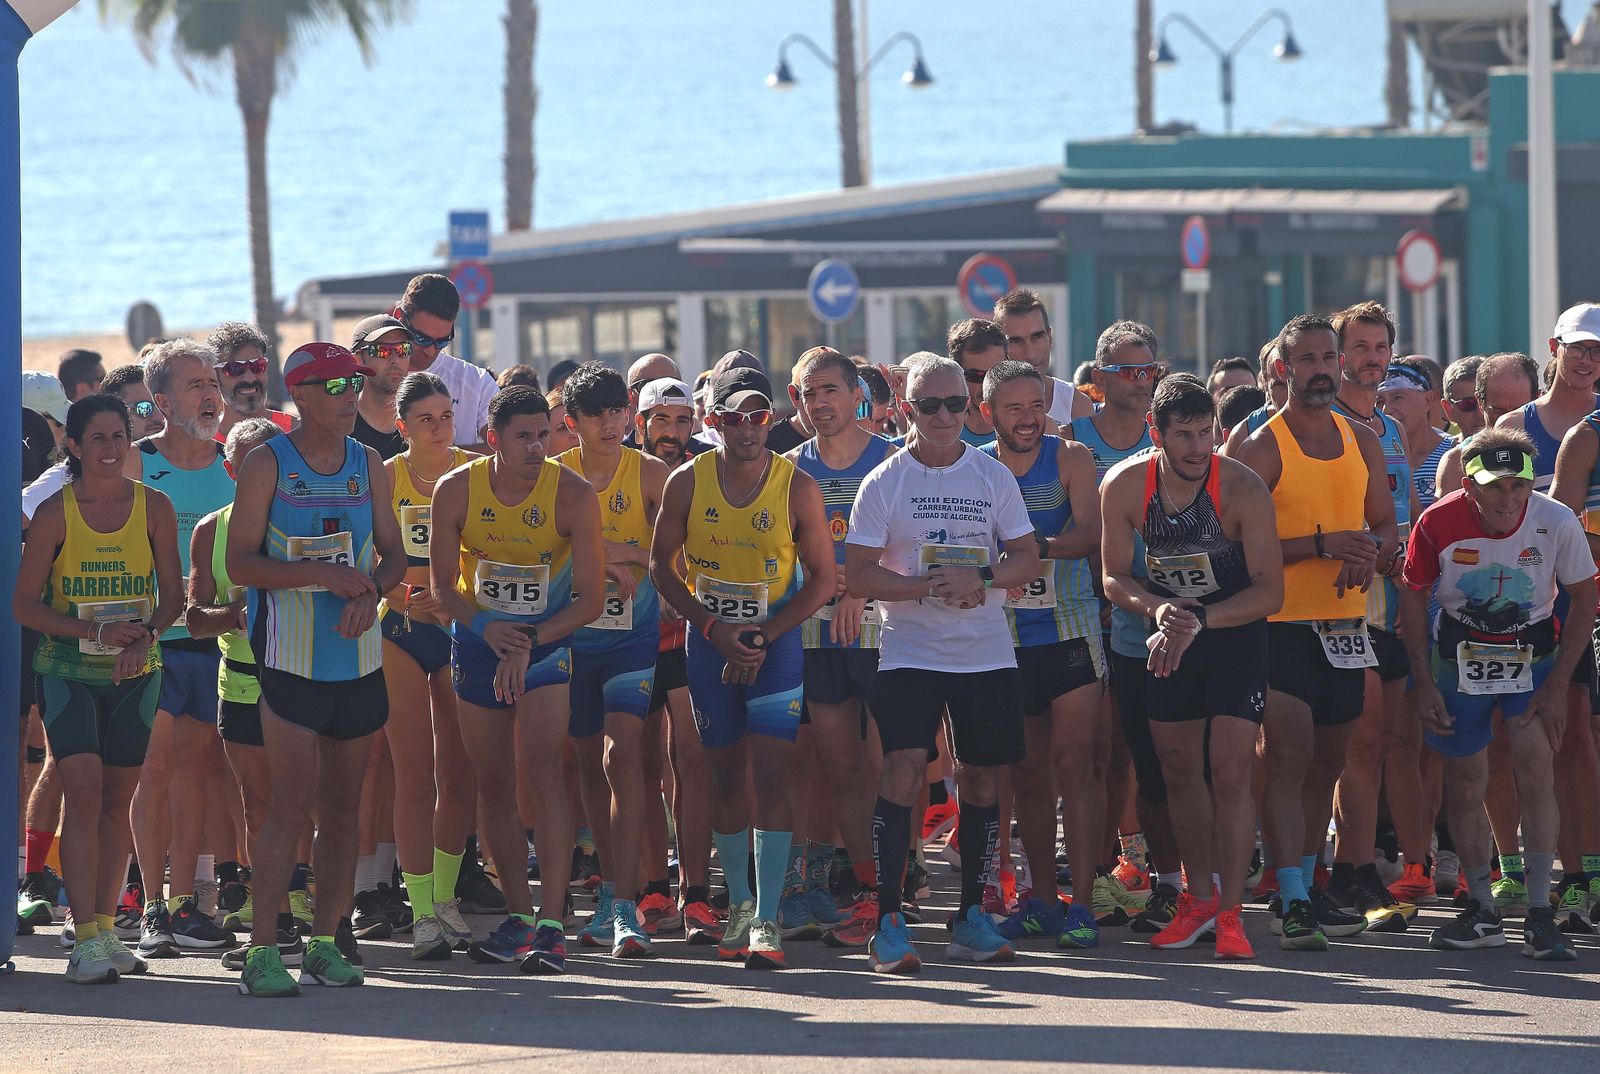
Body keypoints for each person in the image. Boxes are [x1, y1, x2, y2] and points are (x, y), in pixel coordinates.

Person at [845, 354, 1040, 974]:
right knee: (902, 770)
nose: (944, 416)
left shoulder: (991, 476)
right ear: (907, 409)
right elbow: (858, 573)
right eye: (929, 405)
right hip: (910, 651)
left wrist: (979, 576)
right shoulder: (886, 482)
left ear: (972, 405)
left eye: (956, 403)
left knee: (982, 779)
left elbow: (1027, 559)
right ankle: (889, 920)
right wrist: (928, 586)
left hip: (985, 653)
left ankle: (969, 920)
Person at [227, 342, 406, 996]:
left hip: (356, 660)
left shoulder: (369, 463)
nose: (349, 396)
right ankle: (262, 951)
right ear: (300, 395)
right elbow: (240, 565)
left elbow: (393, 557)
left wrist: (373, 594)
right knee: (289, 806)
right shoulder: (265, 463)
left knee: (343, 809)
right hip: (290, 659)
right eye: (334, 386)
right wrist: (320, 575)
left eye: (353, 384)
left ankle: (327, 943)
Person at [649, 365, 835, 970]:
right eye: (734, 419)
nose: (748, 429)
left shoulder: (797, 486)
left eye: (759, 417)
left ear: (772, 422)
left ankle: (767, 916)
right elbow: (661, 568)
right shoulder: (686, 482)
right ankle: (738, 901)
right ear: (714, 423)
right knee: (724, 774)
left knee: (773, 775)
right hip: (711, 641)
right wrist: (714, 629)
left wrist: (761, 637)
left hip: (773, 642)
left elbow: (825, 580)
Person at [1229, 313, 1398, 952]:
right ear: (1283, 368)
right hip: (1276, 625)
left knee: (1329, 761)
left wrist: (1368, 551)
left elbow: (1385, 524)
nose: (1323, 369)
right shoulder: (1262, 444)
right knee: (1290, 753)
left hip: (1344, 627)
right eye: (1308, 360)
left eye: (1329, 357)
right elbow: (1234, 541)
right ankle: (1292, 892)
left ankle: (1303, 880)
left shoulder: (1362, 439)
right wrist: (1322, 544)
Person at [1101, 373, 1283, 960]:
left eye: (1206, 433)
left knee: (1229, 772)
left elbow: (1268, 592)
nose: (1198, 448)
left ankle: (1231, 912)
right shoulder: (1126, 485)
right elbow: (1113, 576)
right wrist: (1159, 612)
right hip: (1168, 635)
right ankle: (1197, 899)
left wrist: (1197, 619)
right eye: (1183, 435)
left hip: (1231, 637)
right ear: (1156, 434)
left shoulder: (1243, 489)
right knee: (1179, 775)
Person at [429, 385, 604, 975]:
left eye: (545, 435)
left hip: (547, 641)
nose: (537, 447)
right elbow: (445, 588)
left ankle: (552, 925)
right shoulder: (456, 490)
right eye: (524, 436)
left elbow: (590, 599)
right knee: (492, 781)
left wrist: (527, 641)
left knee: (545, 772)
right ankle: (520, 915)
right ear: (492, 439)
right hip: (480, 643)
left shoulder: (574, 494)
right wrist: (487, 631)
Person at [1405, 428, 1594, 961]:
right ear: (1468, 483)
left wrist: (1559, 686)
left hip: (1534, 657)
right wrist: (1422, 683)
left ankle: (1539, 911)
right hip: (1459, 654)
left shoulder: (1554, 518)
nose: (1510, 499)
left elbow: (1584, 596)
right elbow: (1413, 601)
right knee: (1467, 779)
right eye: (1495, 487)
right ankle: (1483, 909)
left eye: (1520, 485)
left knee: (1536, 765)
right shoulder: (1437, 521)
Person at [15, 393, 182, 982]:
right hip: (69, 672)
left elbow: (173, 599)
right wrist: (95, 629)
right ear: (75, 447)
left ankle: (108, 930)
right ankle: (82, 935)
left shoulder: (155, 507)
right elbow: (23, 605)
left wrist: (144, 637)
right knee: (83, 797)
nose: (112, 449)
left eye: (120, 437)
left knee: (118, 805)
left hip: (135, 674)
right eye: (100, 439)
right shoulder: (56, 514)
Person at [976, 361, 1106, 950]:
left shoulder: (1071, 457)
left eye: (1036, 407)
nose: (1028, 419)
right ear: (990, 413)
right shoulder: (975, 464)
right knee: (1026, 773)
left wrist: (1029, 551)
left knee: (1076, 765)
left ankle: (1083, 902)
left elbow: (1092, 534)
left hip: (1072, 630)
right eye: (1014, 408)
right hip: (1003, 636)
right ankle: (1043, 899)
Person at [124, 340, 239, 958]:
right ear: (161, 400)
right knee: (155, 770)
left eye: (212, 382)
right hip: (151, 641)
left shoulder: (233, 464)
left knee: (195, 771)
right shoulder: (137, 464)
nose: (210, 394)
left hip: (212, 640)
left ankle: (190, 904)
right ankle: (150, 907)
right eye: (194, 384)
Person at [556, 363, 669, 958]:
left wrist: (617, 555)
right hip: (572, 642)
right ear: (570, 423)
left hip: (632, 639)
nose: (610, 424)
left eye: (617, 412)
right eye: (595, 415)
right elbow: (545, 553)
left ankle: (627, 903)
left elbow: (672, 553)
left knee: (624, 755)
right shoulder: (556, 477)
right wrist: (609, 560)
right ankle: (606, 892)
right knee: (585, 768)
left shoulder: (649, 474)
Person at [783, 347, 895, 947]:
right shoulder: (789, 471)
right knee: (842, 769)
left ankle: (892, 893)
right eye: (807, 393)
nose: (819, 402)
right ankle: (867, 891)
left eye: (829, 389)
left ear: (859, 396)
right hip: (815, 635)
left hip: (887, 633)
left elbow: (910, 544)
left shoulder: (894, 462)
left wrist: (858, 583)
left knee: (887, 765)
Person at [369, 372, 480, 961]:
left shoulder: (474, 473)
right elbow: (371, 553)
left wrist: (459, 595)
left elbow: (494, 551)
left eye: (446, 415)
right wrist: (398, 595)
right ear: (402, 425)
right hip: (401, 630)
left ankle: (444, 896)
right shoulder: (385, 478)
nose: (439, 428)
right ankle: (418, 910)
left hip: (461, 626)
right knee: (414, 773)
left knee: (459, 772)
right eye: (425, 419)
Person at [1494, 306, 1600, 923]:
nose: (1588, 361)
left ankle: (1584, 868)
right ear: (1555, 348)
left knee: (1581, 740)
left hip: (1583, 599)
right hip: (1538, 604)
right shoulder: (1517, 427)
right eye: (1579, 348)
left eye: (1598, 352)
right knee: (1555, 736)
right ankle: (1566, 872)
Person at [1066, 320, 1172, 928]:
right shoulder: (1072, 439)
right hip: (1082, 608)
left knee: (1135, 745)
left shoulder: (1164, 440)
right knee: (1097, 748)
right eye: (1129, 371)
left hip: (1143, 610)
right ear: (1101, 377)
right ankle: (1097, 866)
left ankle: (1132, 865)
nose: (1140, 382)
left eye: (1149, 371)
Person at [1325, 301, 1428, 928]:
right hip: (1334, 608)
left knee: (1392, 741)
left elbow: (1409, 513)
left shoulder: (1390, 428)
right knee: (1356, 744)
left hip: (1389, 607)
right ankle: (1352, 871)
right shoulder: (1314, 422)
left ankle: (1374, 865)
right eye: (1359, 347)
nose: (1371, 358)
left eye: (1380, 347)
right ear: (1337, 356)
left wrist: (1398, 551)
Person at [184, 418, 299, 966]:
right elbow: (195, 619)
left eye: (272, 462)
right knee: (259, 806)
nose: (264, 475)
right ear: (230, 469)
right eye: (251, 464)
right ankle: (271, 913)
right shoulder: (211, 529)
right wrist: (236, 612)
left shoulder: (308, 519)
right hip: (245, 681)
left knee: (307, 800)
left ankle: (307, 907)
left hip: (306, 677)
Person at [632, 377, 720, 943]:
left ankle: (697, 893)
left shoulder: (703, 474)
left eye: (681, 421)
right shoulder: (618, 470)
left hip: (687, 638)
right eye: (660, 420)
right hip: (634, 638)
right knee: (638, 768)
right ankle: (650, 886)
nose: (671, 432)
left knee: (692, 760)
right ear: (640, 422)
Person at [25, 367, 163, 522]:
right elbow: (13, 519)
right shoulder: (73, 472)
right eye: (144, 408)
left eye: (159, 405)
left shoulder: (185, 461)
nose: (158, 417)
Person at [393, 273, 498, 450]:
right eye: (421, 338)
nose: (430, 350)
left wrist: (435, 457)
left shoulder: (477, 381)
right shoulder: (371, 377)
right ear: (398, 317)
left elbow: (504, 451)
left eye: (442, 341)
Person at [1436, 353, 1540, 498]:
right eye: (1498, 411)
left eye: (1518, 411)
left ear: (1538, 399)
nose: (1507, 420)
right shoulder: (1456, 463)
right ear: (1480, 402)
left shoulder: (1560, 445)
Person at [992, 288, 1093, 425]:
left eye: (1037, 337)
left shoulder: (1075, 405)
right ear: (1000, 347)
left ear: (1050, 338)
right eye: (1016, 341)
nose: (1030, 353)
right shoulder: (987, 407)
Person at [206, 323, 295, 438]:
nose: (250, 378)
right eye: (235, 368)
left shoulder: (296, 433)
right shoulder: (204, 443)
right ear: (214, 377)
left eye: (258, 366)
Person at [350, 315, 413, 460]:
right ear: (357, 359)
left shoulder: (421, 420)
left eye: (402, 349)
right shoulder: (341, 425)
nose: (394, 360)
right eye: (381, 350)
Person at [947, 319, 1009, 447]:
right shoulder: (940, 427)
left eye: (997, 372)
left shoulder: (1029, 424)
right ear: (957, 374)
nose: (988, 384)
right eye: (976, 376)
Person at [1442, 356, 1487, 440]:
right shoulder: (1439, 452)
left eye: (1485, 402)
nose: (1481, 414)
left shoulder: (1517, 449)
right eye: (1468, 404)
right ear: (1448, 409)